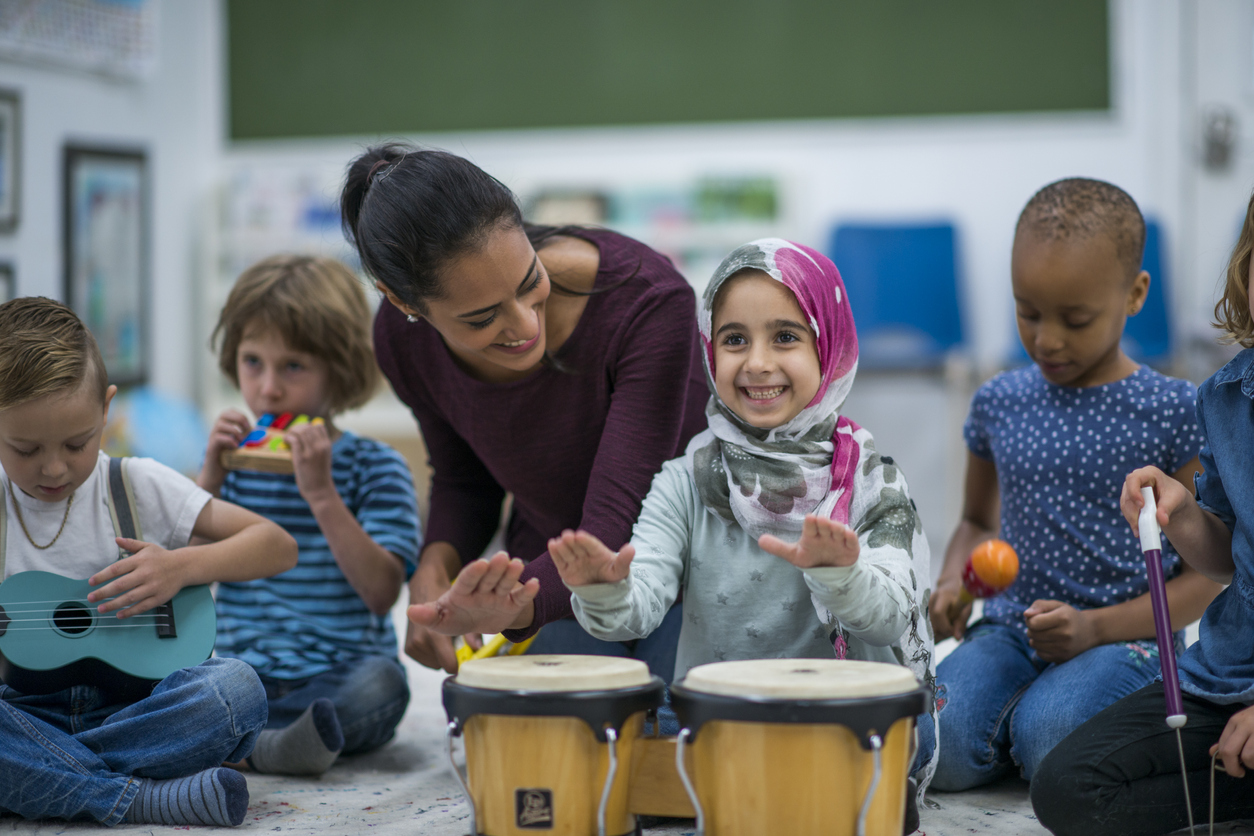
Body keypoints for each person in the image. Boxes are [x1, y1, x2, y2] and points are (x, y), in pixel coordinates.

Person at [546, 239, 938, 807]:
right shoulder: (685, 478)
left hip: (851, 730)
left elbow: (886, 619)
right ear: (709, 351)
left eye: (785, 336)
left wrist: (840, 574)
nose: (756, 363)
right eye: (734, 339)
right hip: (723, 727)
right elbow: (642, 603)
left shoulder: (873, 480)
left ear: (829, 345)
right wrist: (603, 589)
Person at [341, 144, 708, 678]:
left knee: (672, 716)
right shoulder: (401, 340)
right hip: (549, 576)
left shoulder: (648, 302)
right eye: (482, 317)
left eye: (529, 281)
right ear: (403, 303)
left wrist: (515, 604)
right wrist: (434, 569)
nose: (524, 325)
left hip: (682, 574)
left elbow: (617, 521)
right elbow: (466, 481)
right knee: (536, 721)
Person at [928, 178, 1221, 791]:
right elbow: (977, 522)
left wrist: (1091, 629)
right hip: (1010, 627)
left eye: (1076, 318)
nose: (1047, 339)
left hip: (1126, 636)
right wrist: (954, 581)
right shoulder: (998, 402)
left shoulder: (1172, 409)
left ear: (1135, 295)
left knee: (1051, 737)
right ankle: (1014, 720)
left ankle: (1032, 723)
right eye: (1027, 312)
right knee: (939, 745)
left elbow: (1204, 574)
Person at [0, 297, 297, 826]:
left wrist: (181, 567)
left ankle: (46, 778)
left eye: (76, 443)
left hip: (138, 710)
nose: (53, 467)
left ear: (106, 409)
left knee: (235, 690)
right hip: (25, 714)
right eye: (24, 449)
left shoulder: (134, 484)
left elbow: (275, 543)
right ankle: (140, 796)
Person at [1030, 190, 1254, 836]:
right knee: (1066, 788)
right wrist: (1181, 515)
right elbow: (1223, 559)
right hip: (1225, 676)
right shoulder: (1226, 396)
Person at [198, 255, 422, 776]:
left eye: (293, 366)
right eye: (253, 361)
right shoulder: (228, 466)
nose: (268, 388)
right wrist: (208, 480)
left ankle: (246, 743)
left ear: (338, 370)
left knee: (383, 687)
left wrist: (321, 493)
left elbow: (382, 592)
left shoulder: (376, 465)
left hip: (338, 674)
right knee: (173, 681)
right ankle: (273, 745)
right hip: (242, 673)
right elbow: (177, 570)